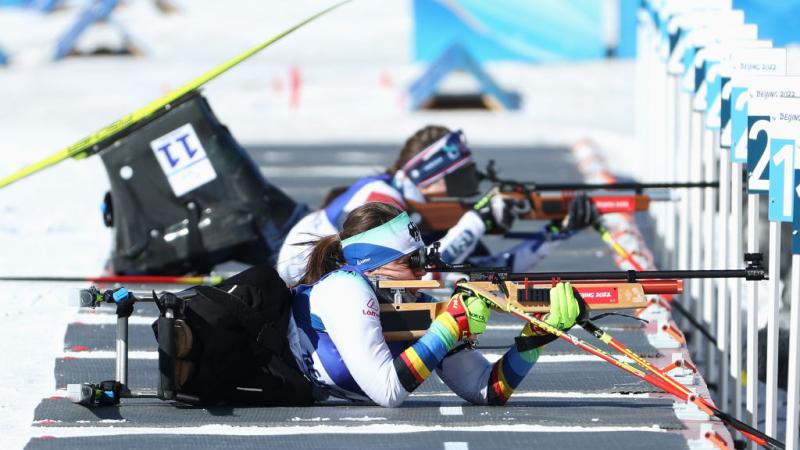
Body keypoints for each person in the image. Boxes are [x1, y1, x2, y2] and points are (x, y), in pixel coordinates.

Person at [288, 202, 582, 406]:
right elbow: (387, 392)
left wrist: (537, 337)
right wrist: (448, 328)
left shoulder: (413, 303)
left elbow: (484, 388)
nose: (422, 272)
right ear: (373, 266)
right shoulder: (345, 289)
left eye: (422, 259)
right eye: (410, 262)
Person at [276, 125, 599, 286]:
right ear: (425, 175)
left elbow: (487, 272)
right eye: (455, 180)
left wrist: (554, 234)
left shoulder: (415, 215)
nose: (461, 193)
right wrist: (477, 220)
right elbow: (422, 273)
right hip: (305, 288)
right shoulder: (379, 198)